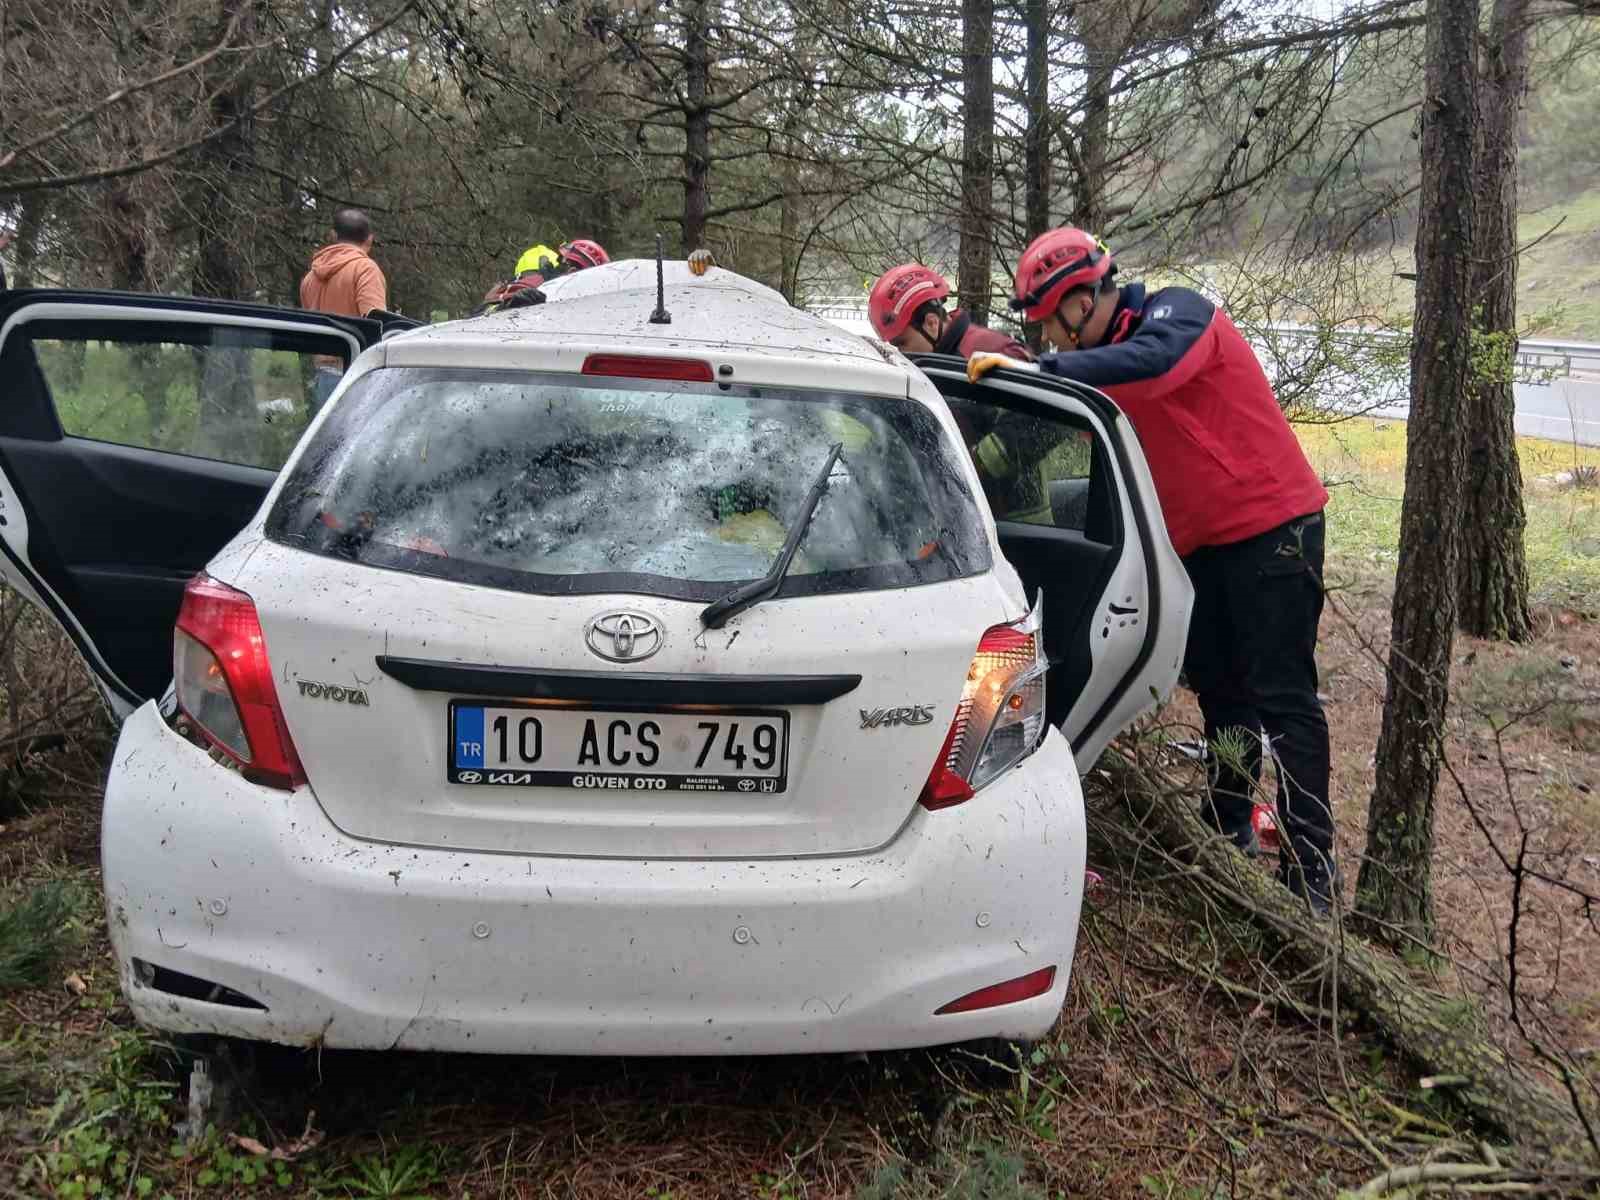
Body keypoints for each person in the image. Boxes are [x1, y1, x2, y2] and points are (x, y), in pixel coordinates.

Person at [970, 227, 1335, 912]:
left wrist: (1042, 372)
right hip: (1201, 545)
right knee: (1224, 694)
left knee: (1284, 699)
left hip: (1273, 527)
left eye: (1051, 318)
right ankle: (1226, 829)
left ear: (1082, 297)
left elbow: (1159, 364)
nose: (1050, 335)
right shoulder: (1103, 360)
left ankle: (1311, 868)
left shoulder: (1176, 314)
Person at [299, 209, 388, 410]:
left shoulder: (309, 278)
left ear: (333, 236)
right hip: (355, 375)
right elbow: (375, 324)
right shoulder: (365, 270)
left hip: (322, 376)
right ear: (370, 239)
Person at [867, 263, 1031, 358]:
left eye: (902, 343)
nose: (901, 353)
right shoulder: (939, 356)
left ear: (932, 322)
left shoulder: (989, 353)